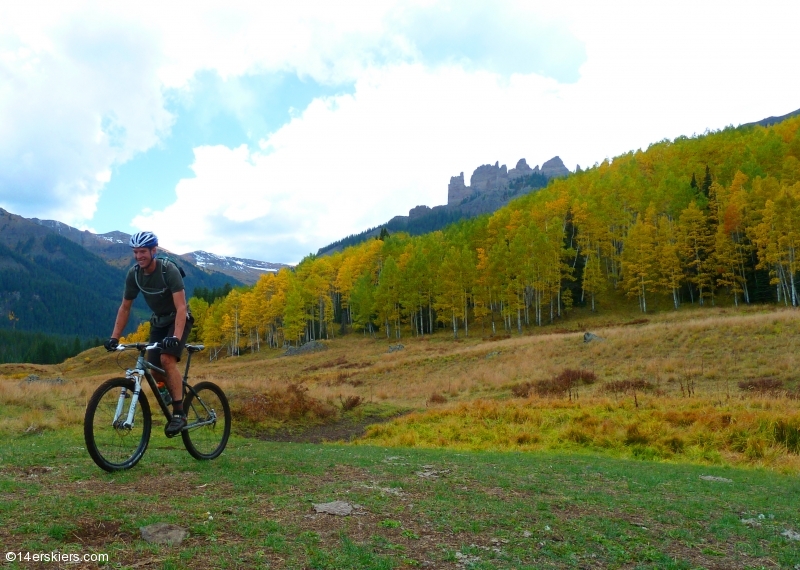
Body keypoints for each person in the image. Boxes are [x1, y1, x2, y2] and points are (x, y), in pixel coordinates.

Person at [104, 231, 193, 437]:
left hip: (178, 319)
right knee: (154, 369)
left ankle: (179, 413)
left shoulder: (168, 271)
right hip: (159, 321)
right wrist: (114, 337)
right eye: (135, 252)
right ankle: (170, 391)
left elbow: (181, 308)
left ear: (154, 250)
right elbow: (125, 307)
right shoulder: (133, 274)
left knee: (166, 359)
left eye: (143, 251)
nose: (138, 256)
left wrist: (176, 338)